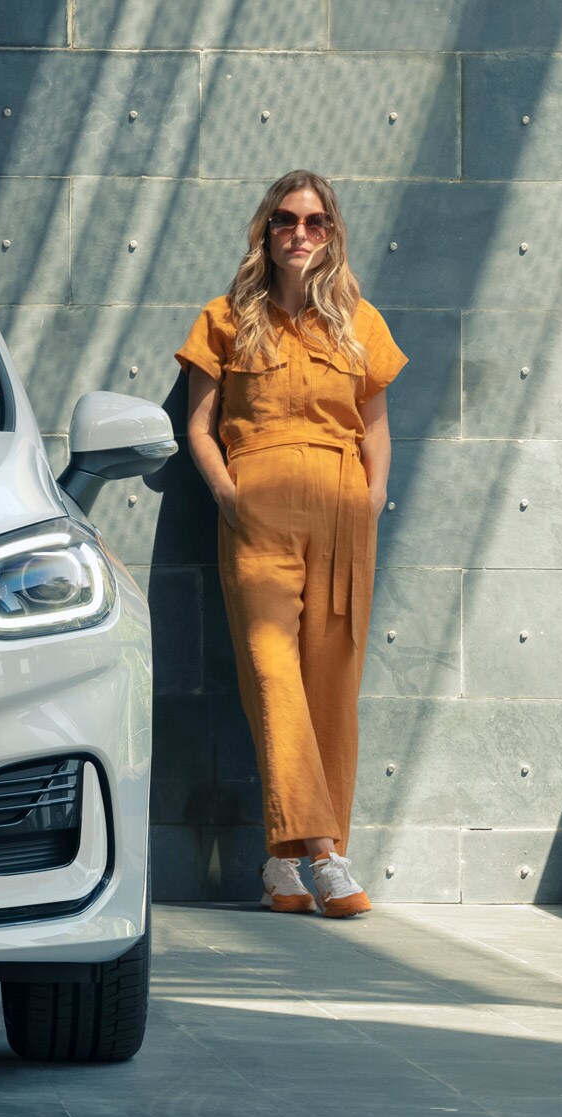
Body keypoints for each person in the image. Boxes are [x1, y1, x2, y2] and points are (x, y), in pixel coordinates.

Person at [172, 169, 406, 919]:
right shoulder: (226, 318)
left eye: (313, 221)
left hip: (343, 515)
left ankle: (282, 867)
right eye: (284, 220)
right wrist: (230, 494)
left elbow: (375, 428)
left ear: (331, 233)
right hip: (259, 517)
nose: (298, 234)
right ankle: (328, 853)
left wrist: (369, 503)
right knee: (274, 678)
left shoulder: (358, 322)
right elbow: (198, 428)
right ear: (264, 232)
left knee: (331, 687)